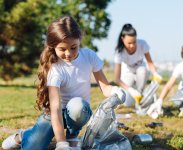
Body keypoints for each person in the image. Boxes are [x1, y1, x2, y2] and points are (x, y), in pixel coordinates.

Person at [2, 16, 125, 150]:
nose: (68, 53)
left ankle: (72, 137)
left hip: (78, 112)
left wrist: (114, 90)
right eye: (62, 49)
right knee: (33, 147)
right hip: (54, 114)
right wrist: (60, 143)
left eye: (73, 47)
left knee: (78, 106)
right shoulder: (55, 69)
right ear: (53, 46)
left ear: (79, 41)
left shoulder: (89, 56)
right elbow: (55, 109)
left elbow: (105, 87)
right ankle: (23, 135)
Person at [114, 23, 162, 106]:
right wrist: (130, 90)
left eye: (134, 42)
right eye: (129, 43)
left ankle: (142, 94)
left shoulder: (142, 44)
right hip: (128, 71)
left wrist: (155, 73)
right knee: (127, 103)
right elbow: (117, 79)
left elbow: (150, 63)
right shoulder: (119, 52)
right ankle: (136, 93)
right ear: (122, 39)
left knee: (142, 71)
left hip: (140, 69)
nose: (132, 45)